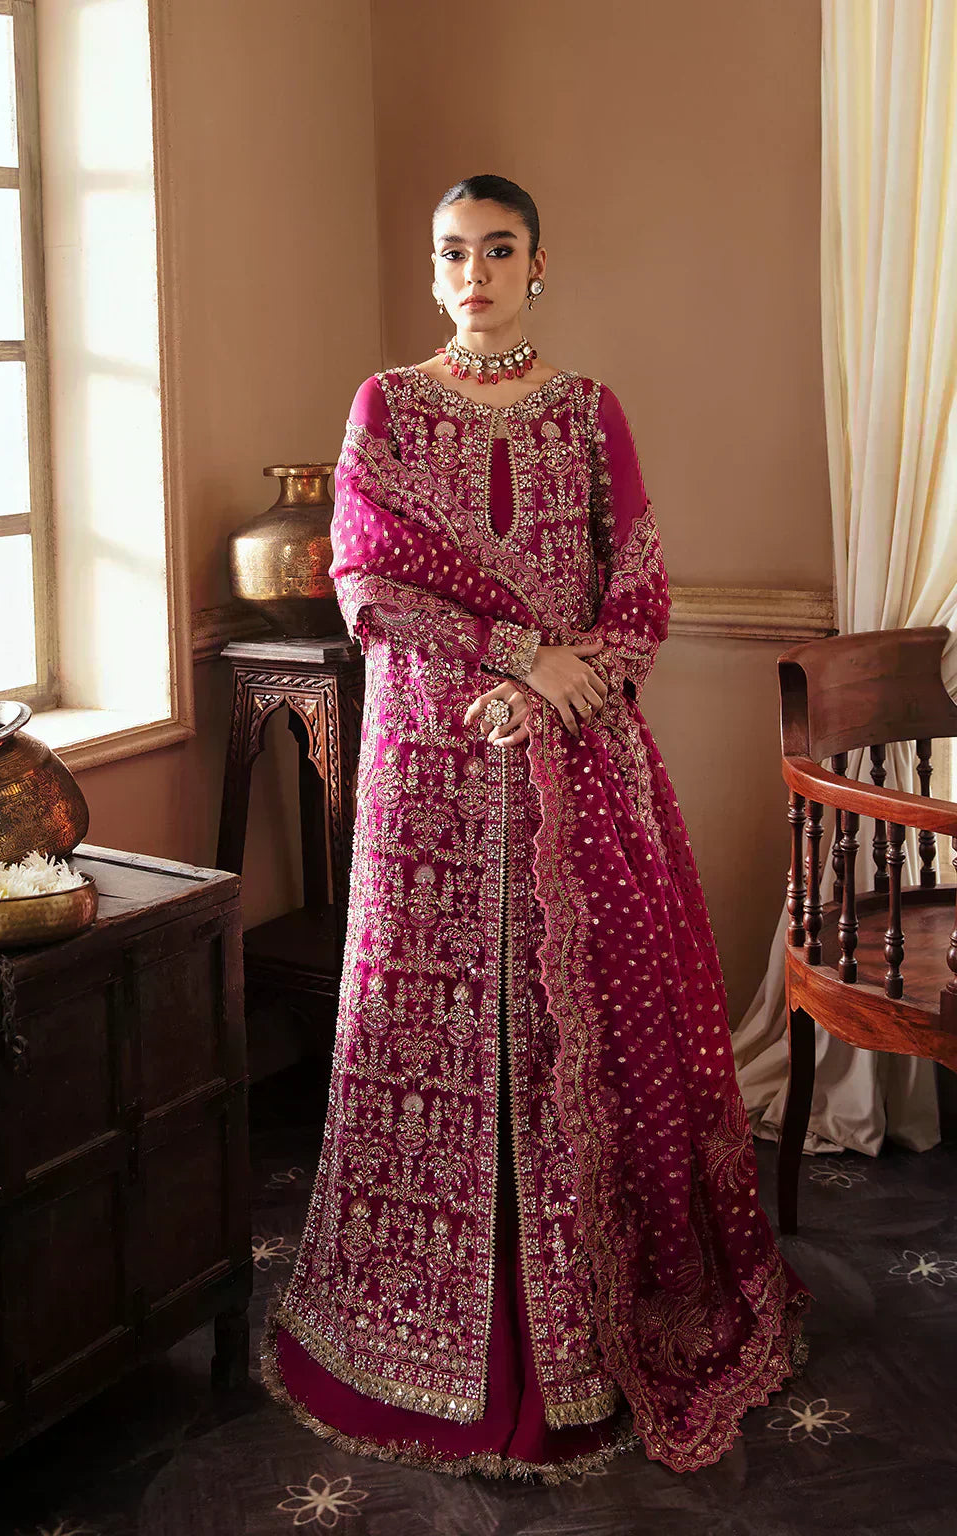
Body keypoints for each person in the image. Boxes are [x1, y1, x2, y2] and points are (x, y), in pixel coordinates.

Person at [261, 173, 812, 1482]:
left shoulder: (588, 413)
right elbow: (366, 584)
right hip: (430, 771)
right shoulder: (385, 409)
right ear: (432, 268)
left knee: (589, 1026)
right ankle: (414, 1320)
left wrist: (570, 679)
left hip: (578, 755)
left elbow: (642, 595)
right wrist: (519, 654)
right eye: (453, 252)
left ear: (537, 265)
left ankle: (579, 1335)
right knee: (425, 1022)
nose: (475, 273)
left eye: (499, 250)